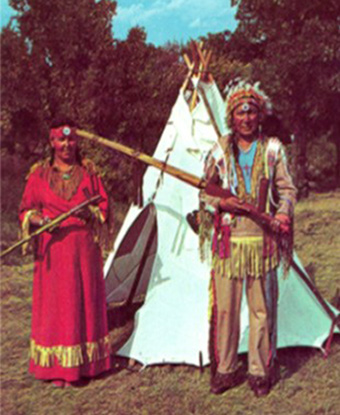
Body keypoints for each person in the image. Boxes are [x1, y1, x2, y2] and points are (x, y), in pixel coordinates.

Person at [199, 80, 297, 397]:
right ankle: (225, 370)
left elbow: (288, 191)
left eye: (252, 112)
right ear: (232, 117)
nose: (246, 119)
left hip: (262, 241)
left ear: (259, 116)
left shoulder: (272, 150)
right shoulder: (219, 150)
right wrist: (220, 202)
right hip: (228, 241)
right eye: (240, 114)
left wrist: (282, 214)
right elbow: (205, 190)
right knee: (225, 310)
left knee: (260, 310)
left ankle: (259, 371)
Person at [19, 120, 111, 387]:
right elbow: (25, 210)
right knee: (57, 308)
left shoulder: (90, 172)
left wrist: (89, 212)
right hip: (53, 254)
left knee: (82, 303)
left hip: (83, 253)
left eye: (71, 140)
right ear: (52, 142)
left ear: (77, 142)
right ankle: (56, 369)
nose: (66, 145)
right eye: (61, 140)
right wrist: (41, 220)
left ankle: (84, 366)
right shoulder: (38, 175)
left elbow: (104, 207)